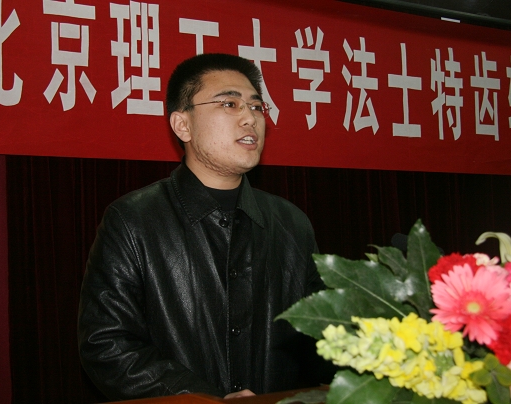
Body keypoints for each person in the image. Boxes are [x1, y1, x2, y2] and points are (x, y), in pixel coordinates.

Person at [78, 53, 330, 401]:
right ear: (183, 125)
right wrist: (204, 398)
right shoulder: (133, 220)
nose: (250, 118)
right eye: (229, 104)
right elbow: (106, 343)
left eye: (256, 107)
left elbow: (323, 335)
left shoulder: (291, 224)